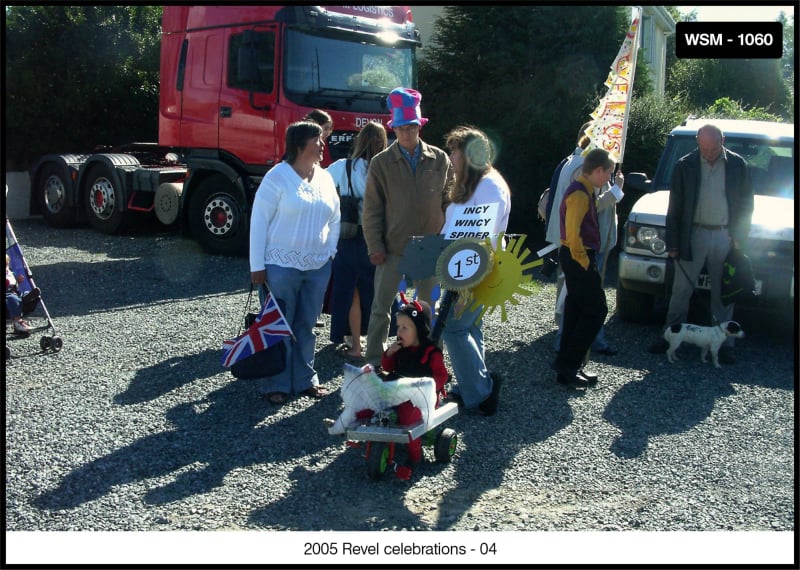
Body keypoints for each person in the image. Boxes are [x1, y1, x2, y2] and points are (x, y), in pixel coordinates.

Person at [249, 121, 340, 405]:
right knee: (278, 325)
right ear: (300, 144)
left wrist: (330, 252)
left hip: (317, 266)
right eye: (317, 140)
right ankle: (275, 383)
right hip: (279, 265)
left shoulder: (324, 177)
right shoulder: (277, 177)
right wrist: (256, 266)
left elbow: (336, 216)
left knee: (307, 325)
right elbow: (258, 222)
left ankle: (305, 379)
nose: (323, 143)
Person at [362, 87, 454, 367]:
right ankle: (375, 362)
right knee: (381, 309)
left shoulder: (440, 159)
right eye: (401, 128)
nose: (407, 133)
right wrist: (375, 246)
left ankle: (426, 359)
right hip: (393, 248)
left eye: (411, 127)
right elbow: (372, 209)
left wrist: (447, 241)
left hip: (429, 248)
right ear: (394, 129)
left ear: (419, 127)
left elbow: (449, 202)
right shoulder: (381, 163)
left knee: (427, 309)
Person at [647, 124, 754, 363]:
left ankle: (725, 345)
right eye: (703, 148)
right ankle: (670, 335)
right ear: (697, 142)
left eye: (713, 148)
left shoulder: (737, 165)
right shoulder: (685, 165)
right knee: (681, 289)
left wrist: (740, 235)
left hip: (726, 234)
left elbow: (748, 203)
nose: (708, 153)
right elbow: (674, 208)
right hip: (693, 233)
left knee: (724, 292)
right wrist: (673, 242)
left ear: (723, 140)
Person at [439, 126, 510, 416]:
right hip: (461, 266)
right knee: (469, 327)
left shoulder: (489, 186)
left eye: (455, 151)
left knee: (454, 328)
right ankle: (471, 385)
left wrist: (465, 281)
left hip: (475, 270)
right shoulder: (474, 183)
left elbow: (482, 235)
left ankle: (481, 392)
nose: (451, 156)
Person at [545, 124, 621, 356]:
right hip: (580, 245)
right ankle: (573, 346)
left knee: (575, 297)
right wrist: (616, 191)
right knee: (582, 299)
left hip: (578, 243)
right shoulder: (581, 167)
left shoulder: (573, 161)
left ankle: (578, 345)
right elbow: (585, 207)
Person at [552, 148, 615, 387]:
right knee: (596, 310)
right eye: (607, 173)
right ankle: (569, 363)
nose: (608, 179)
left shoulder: (584, 191)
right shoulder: (579, 194)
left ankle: (567, 367)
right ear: (598, 171)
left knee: (576, 311)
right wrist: (586, 262)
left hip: (575, 257)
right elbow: (573, 233)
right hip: (578, 257)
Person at [326, 122, 388, 358]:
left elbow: (320, 185)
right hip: (377, 237)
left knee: (349, 290)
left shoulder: (343, 166)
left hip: (348, 235)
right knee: (375, 291)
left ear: (359, 140)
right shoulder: (384, 169)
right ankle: (375, 342)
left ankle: (355, 343)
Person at [381, 296, 448, 471]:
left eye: (405, 328)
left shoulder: (431, 353)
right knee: (373, 400)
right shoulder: (400, 349)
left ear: (418, 329)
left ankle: (415, 456)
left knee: (407, 416)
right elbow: (388, 368)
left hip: (422, 397)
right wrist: (389, 354)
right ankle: (357, 426)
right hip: (399, 390)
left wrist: (428, 389)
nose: (399, 332)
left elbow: (441, 375)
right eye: (398, 327)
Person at [6, 254, 38, 335]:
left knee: (25, 294)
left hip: (15, 293)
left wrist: (18, 281)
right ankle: (18, 321)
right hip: (7, 295)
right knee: (13, 299)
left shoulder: (10, 273)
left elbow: (15, 285)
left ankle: (27, 298)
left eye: (6, 264)